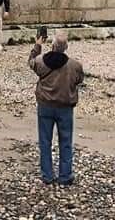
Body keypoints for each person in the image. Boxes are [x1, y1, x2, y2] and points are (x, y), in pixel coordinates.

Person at [29, 29, 84, 187]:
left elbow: (31, 62)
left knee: (45, 141)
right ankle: (65, 176)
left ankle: (47, 175)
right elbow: (79, 80)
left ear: (52, 45)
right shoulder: (74, 65)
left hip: (45, 106)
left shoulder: (41, 61)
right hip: (65, 107)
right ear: (66, 47)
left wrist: (38, 45)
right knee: (65, 141)